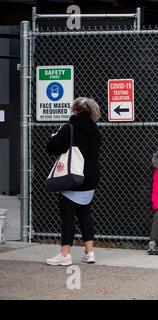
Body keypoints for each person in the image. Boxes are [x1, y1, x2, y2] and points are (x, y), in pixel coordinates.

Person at [46, 97, 101, 266]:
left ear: (75, 110)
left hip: (73, 177)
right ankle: (90, 252)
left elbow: (51, 148)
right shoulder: (96, 130)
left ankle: (65, 254)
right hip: (91, 177)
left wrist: (54, 136)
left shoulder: (69, 128)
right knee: (85, 213)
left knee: (68, 216)